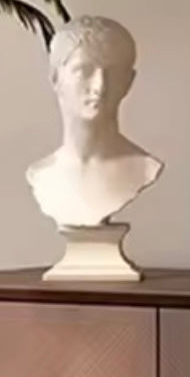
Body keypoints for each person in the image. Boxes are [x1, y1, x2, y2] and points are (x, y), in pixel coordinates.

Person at [27, 16, 163, 228]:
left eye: (113, 73)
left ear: (128, 82)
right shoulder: (42, 176)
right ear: (55, 77)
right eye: (84, 71)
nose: (99, 86)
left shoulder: (144, 168)